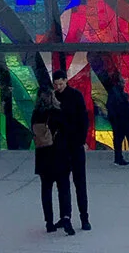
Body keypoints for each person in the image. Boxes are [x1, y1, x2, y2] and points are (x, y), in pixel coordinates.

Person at [53, 69, 91, 232]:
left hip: (74, 145)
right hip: (61, 147)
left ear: (66, 81)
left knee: (79, 183)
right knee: (63, 184)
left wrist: (82, 141)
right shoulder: (54, 97)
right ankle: (65, 216)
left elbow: (83, 120)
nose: (58, 87)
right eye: (56, 84)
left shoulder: (75, 96)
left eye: (61, 84)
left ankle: (84, 217)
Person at [31, 88, 73, 235]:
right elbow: (67, 132)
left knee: (46, 190)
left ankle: (49, 222)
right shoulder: (58, 113)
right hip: (59, 156)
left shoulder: (36, 114)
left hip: (43, 158)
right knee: (64, 189)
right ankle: (66, 217)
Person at [106, 74, 129, 167]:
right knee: (120, 140)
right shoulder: (116, 93)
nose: (124, 84)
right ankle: (120, 159)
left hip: (120, 121)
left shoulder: (120, 93)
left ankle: (119, 158)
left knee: (119, 140)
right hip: (119, 121)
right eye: (123, 82)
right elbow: (111, 106)